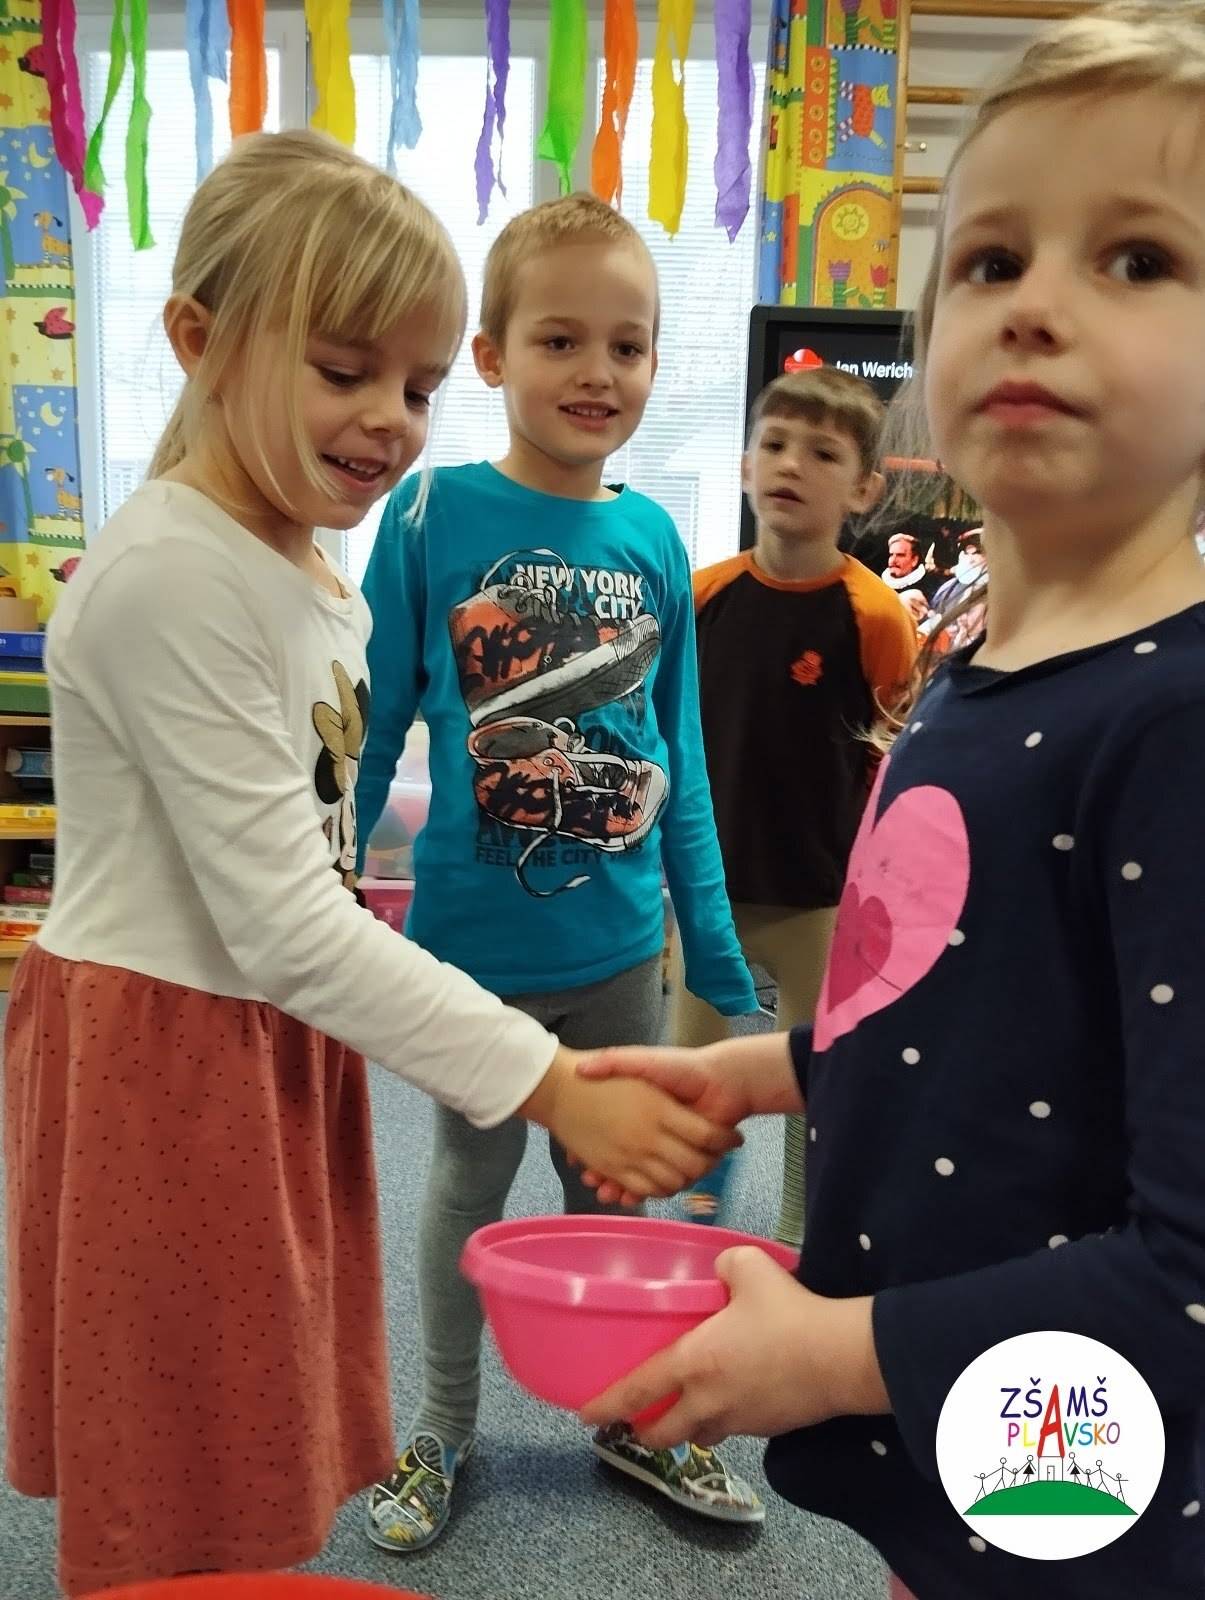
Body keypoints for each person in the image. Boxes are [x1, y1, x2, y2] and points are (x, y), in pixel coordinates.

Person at [2, 134, 737, 1599]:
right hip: (172, 1057)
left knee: (250, 1400)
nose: (389, 419)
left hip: (265, 1039)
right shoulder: (175, 573)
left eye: (415, 385)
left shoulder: (298, 561)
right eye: (345, 371)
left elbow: (327, 826)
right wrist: (548, 1078)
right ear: (199, 340)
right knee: (181, 1435)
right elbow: (283, 922)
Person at [578, 6, 1205, 1597]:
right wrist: (759, 1072)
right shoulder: (977, 666)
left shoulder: (1177, 723)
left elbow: (1190, 1272)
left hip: (1086, 1481)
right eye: (989, 261)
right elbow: (981, 1019)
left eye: (1137, 259)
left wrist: (835, 1354)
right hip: (961, 1422)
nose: (1035, 304)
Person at [353, 192, 762, 1554]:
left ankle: (634, 1421)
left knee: (613, 1209)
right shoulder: (427, 514)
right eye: (560, 340)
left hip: (618, 959)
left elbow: (677, 760)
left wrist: (713, 953)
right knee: (466, 1190)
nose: (598, 373)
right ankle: (440, 1428)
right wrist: (323, 885)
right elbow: (370, 726)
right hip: (471, 963)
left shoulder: (652, 544)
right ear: (489, 356)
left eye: (627, 347)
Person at [674, 367, 916, 1244]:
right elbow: (668, 733)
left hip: (818, 897)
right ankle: (699, 1217)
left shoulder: (873, 614)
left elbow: (894, 761)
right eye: (773, 445)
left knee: (810, 1075)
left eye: (821, 453)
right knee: (694, 1071)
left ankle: (794, 1235)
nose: (790, 465)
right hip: (708, 890)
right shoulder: (701, 595)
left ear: (862, 489)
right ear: (745, 467)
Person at [880, 530, 940, 602]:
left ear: (914, 560)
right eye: (891, 555)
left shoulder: (929, 588)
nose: (893, 560)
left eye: (900, 555)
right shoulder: (878, 583)